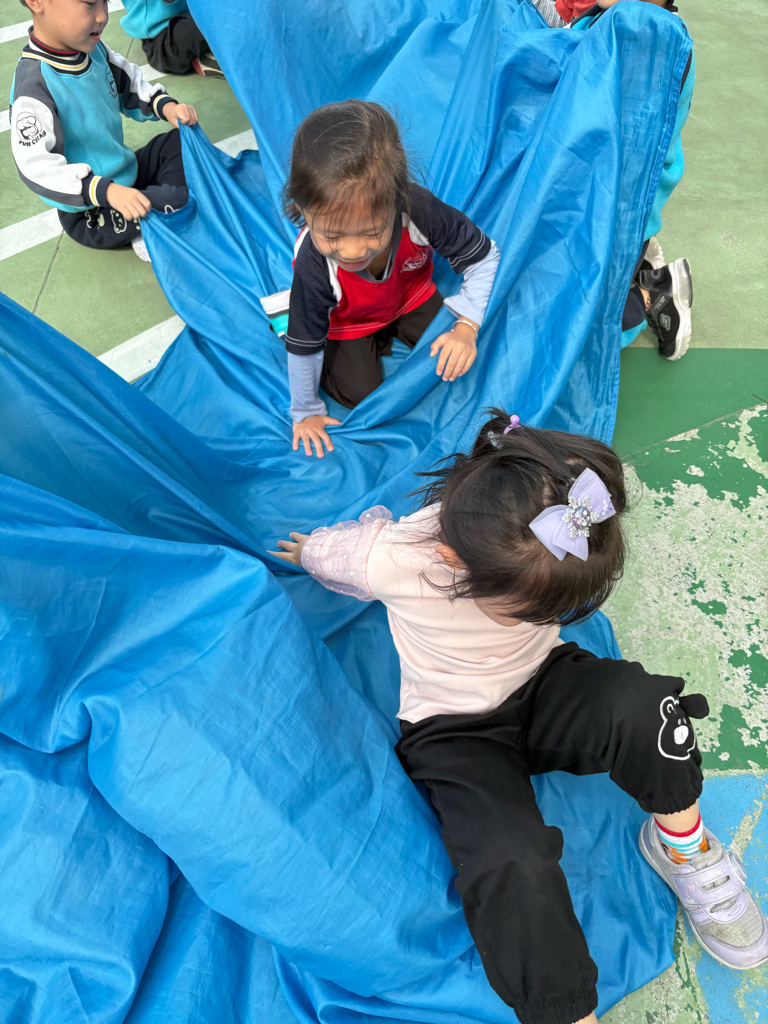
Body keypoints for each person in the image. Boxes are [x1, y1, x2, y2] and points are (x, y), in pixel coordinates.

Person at [271, 411, 768, 1024]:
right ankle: (566, 1013)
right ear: (454, 562)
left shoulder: (548, 518)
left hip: (543, 683)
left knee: (649, 709)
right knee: (509, 862)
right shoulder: (393, 557)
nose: (543, 616)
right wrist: (310, 551)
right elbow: (335, 556)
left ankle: (684, 846)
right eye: (529, 609)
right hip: (453, 730)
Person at [281, 100, 501, 458]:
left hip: (407, 297)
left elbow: (484, 257)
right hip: (348, 321)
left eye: (372, 232)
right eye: (333, 236)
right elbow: (305, 344)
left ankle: (391, 333)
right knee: (361, 395)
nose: (353, 251)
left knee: (456, 359)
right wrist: (305, 412)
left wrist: (467, 326)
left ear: (397, 201)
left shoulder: (417, 208)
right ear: (304, 211)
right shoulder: (314, 264)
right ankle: (350, 337)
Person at [10, 0, 198, 259]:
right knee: (179, 200)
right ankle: (157, 218)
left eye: (105, 2)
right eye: (89, 3)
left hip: (127, 172)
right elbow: (37, 168)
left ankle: (163, 204)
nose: (102, 16)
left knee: (182, 141)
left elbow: (130, 84)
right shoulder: (34, 86)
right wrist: (106, 191)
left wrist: (166, 107)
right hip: (92, 209)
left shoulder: (93, 50)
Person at [569, 0, 695, 358]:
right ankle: (636, 267)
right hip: (589, 200)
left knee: (581, 331)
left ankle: (653, 291)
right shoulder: (606, 18)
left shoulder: (653, 42)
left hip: (618, 210)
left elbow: (627, 159)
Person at [120, 0, 224, 79]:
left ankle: (212, 53)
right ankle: (211, 57)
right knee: (218, 20)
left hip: (188, 17)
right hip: (164, 39)